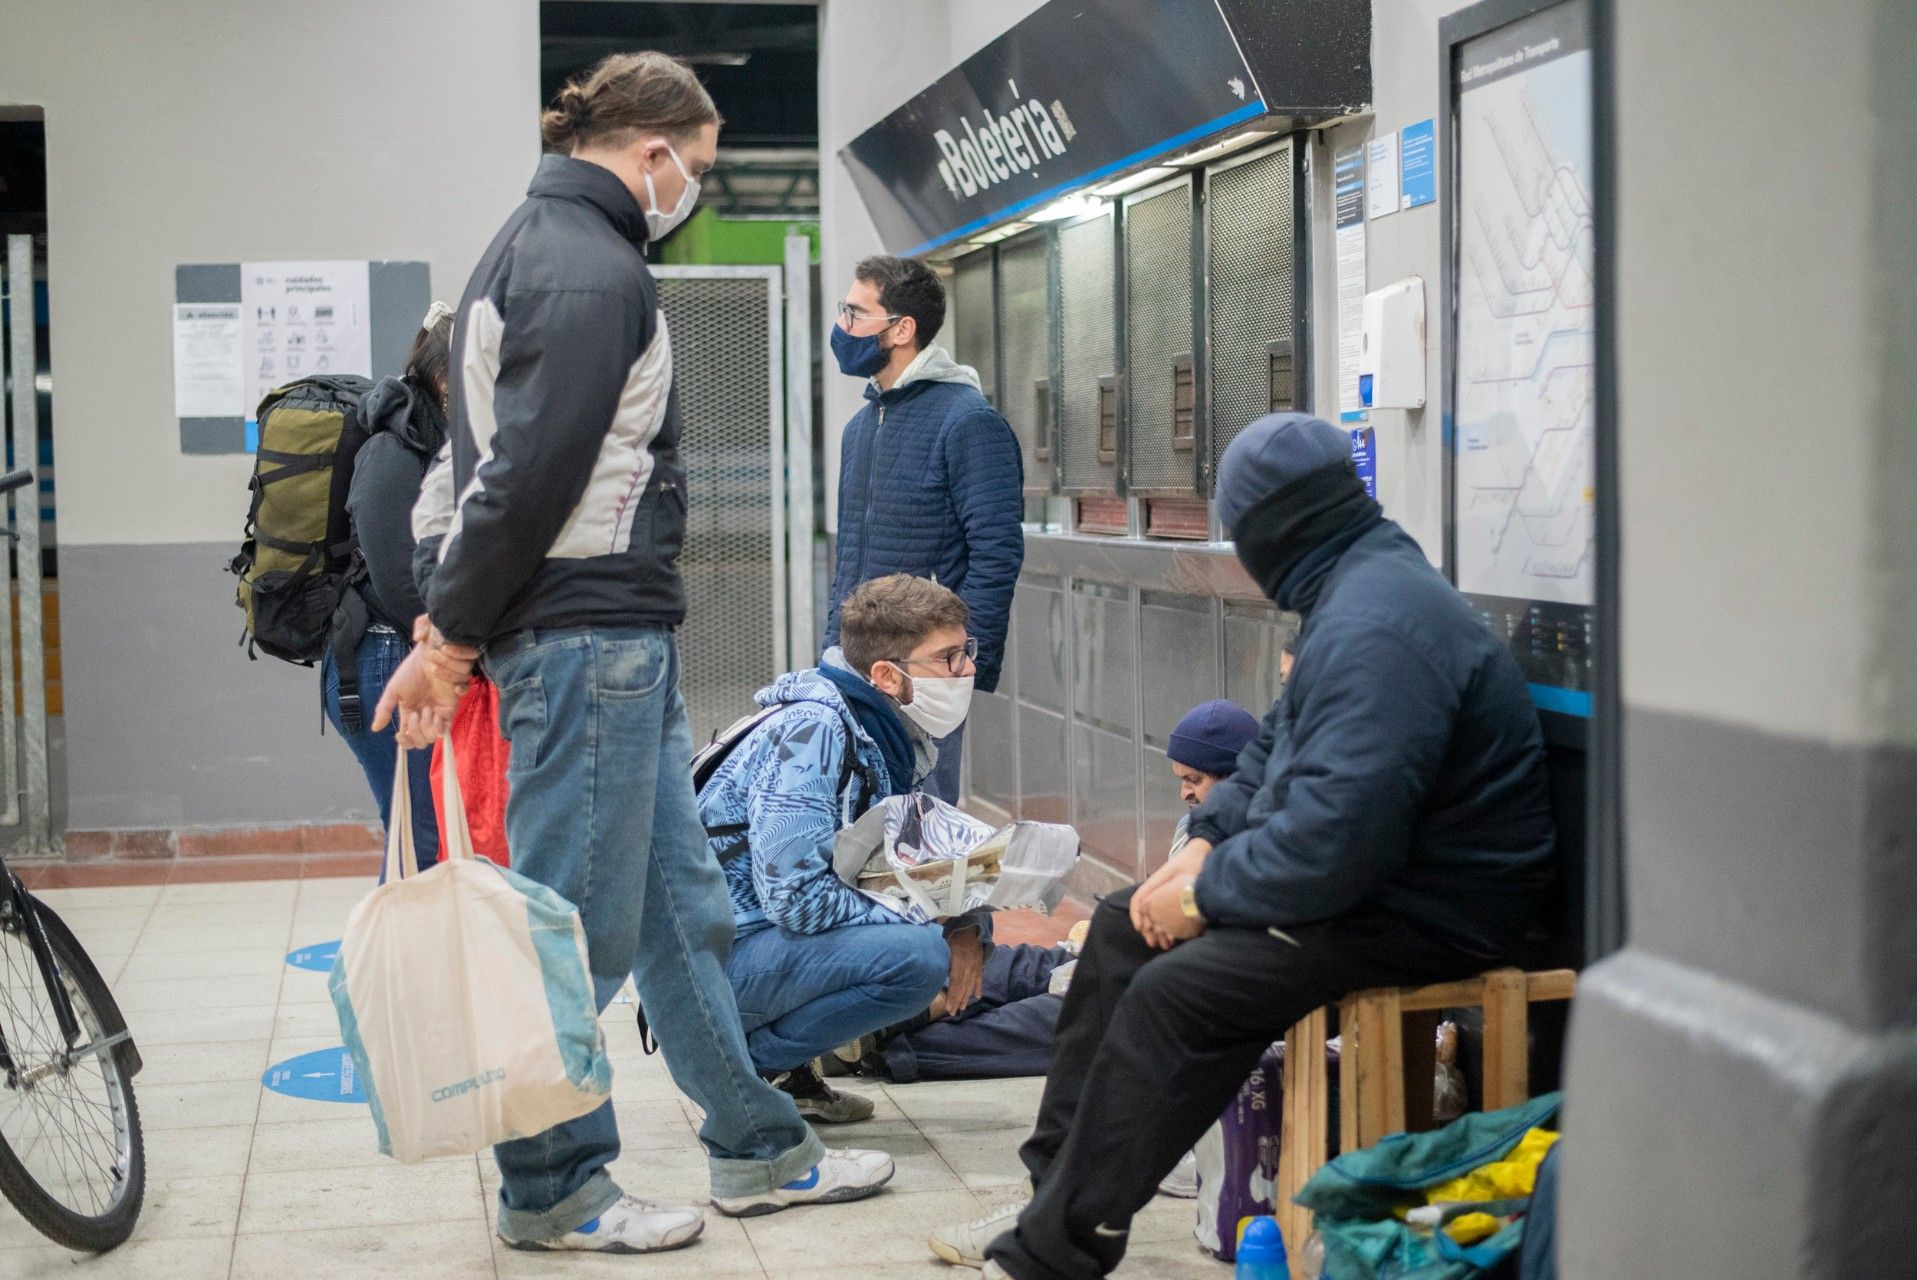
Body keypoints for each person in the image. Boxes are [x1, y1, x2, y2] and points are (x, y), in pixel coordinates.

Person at [375, 51, 892, 1256]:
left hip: (609, 636)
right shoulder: (591, 269)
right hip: (584, 634)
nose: (696, 188)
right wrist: (451, 636)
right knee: (580, 928)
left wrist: (456, 614)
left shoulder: (529, 245)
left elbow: (482, 464)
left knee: (680, 913)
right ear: (651, 150)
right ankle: (554, 1181)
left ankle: (761, 1150)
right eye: (698, 167)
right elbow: (529, 475)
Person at [934, 412, 1557, 1279]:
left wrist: (1201, 898)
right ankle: (1051, 1199)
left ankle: (1050, 1255)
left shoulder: (1379, 626)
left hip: (1440, 908)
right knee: (1119, 931)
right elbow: (1273, 749)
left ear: (1271, 529)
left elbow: (1334, 844)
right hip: (1379, 883)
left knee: (1178, 995)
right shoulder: (1353, 589)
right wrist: (1203, 848)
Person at [699, 573, 989, 1120]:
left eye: (967, 651)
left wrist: (967, 920)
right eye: (949, 657)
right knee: (917, 958)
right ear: (886, 675)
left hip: (754, 948)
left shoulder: (878, 729)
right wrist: (930, 924)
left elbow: (912, 856)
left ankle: (790, 1074)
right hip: (712, 965)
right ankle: (747, 1078)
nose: (967, 669)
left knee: (931, 942)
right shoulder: (816, 732)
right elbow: (795, 898)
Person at [823, 255, 1025, 804]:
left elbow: (996, 553)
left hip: (920, 670)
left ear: (902, 329)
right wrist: (831, 645)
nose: (843, 326)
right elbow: (850, 556)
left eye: (856, 312)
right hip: (854, 660)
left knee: (918, 826)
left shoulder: (968, 422)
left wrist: (956, 665)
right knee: (857, 821)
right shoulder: (860, 428)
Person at [321, 305, 454, 875]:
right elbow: (401, 581)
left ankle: (406, 964)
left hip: (400, 653)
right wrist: (454, 646)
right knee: (418, 841)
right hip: (380, 659)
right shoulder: (392, 450)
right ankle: (376, 968)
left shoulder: (428, 440)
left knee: (425, 838)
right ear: (446, 380)